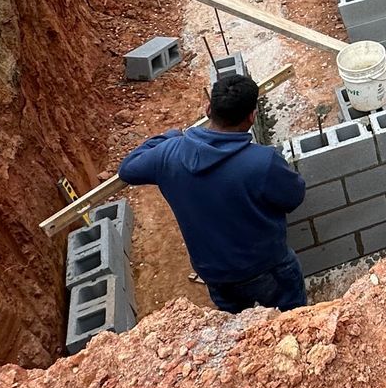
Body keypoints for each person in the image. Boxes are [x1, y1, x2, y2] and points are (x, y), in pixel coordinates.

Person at [117, 73, 310, 313]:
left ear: (208, 108)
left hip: (217, 276)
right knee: (294, 320)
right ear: (251, 117)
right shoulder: (262, 161)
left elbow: (127, 168)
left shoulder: (169, 155)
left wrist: (170, 137)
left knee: (237, 328)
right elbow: (294, 196)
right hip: (268, 268)